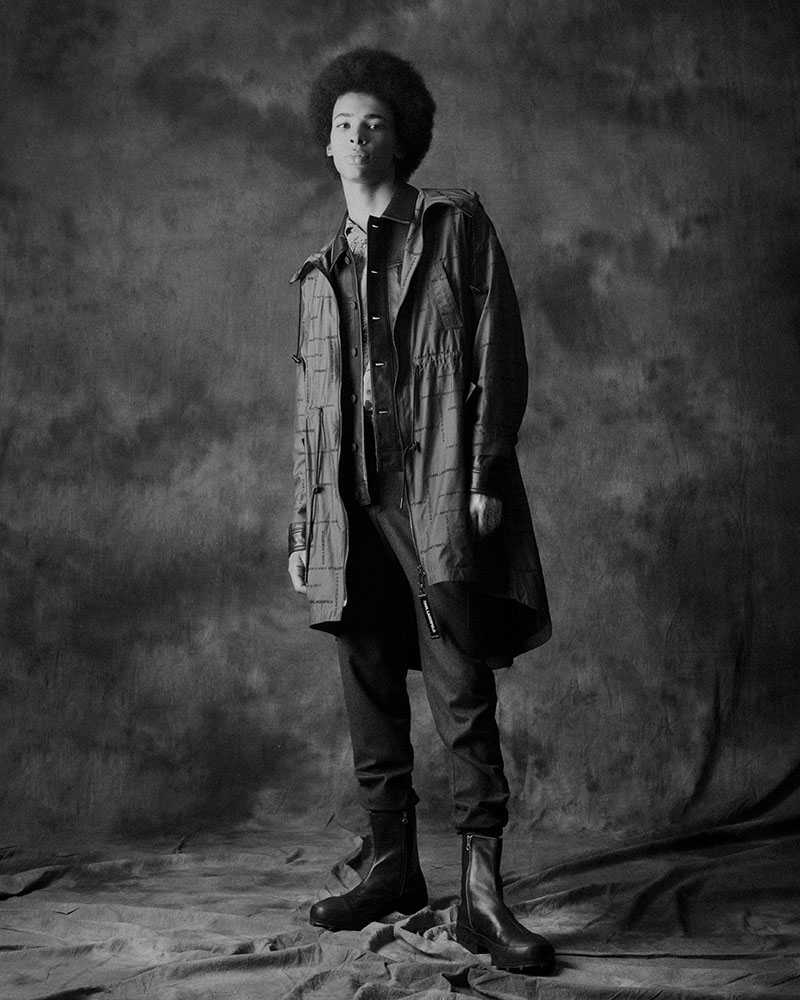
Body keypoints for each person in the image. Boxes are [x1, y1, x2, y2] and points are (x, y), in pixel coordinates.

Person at [287, 47, 554, 976]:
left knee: (459, 681)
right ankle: (392, 867)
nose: (357, 137)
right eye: (342, 125)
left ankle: (482, 899)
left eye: (374, 123)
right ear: (326, 147)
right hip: (347, 503)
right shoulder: (319, 273)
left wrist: (483, 472)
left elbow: (496, 349)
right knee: (366, 677)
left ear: (401, 139)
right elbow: (311, 415)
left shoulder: (454, 225)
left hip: (432, 489)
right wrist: (303, 527)